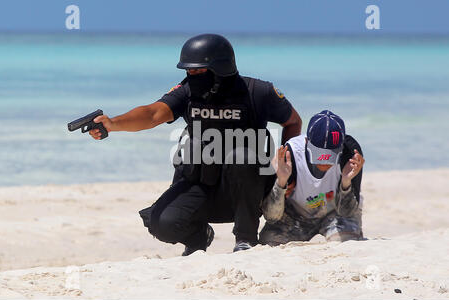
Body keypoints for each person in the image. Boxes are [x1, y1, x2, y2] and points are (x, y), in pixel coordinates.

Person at [88, 34, 302, 254]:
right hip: (201, 182)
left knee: (242, 157)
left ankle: (245, 239)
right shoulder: (188, 91)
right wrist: (114, 123)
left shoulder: (258, 92)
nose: (191, 75)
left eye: (197, 70)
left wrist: (287, 168)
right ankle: (199, 238)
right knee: (163, 223)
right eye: (188, 71)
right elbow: (153, 114)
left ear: (221, 67)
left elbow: (293, 121)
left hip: (250, 191)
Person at [259, 110, 365, 245]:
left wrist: (346, 182)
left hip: (335, 215)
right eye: (319, 154)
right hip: (295, 216)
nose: (325, 162)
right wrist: (281, 181)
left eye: (330, 155)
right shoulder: (291, 154)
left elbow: (347, 212)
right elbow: (271, 216)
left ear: (341, 146)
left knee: (346, 244)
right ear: (306, 141)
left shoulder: (350, 153)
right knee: (268, 242)